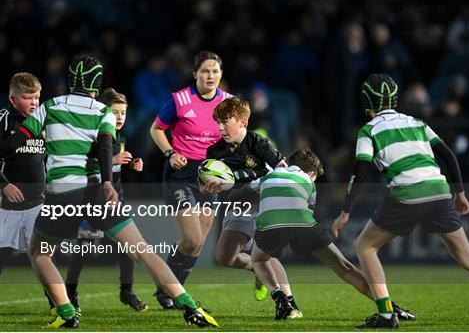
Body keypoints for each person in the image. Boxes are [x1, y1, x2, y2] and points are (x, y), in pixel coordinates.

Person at [10, 56, 217, 328]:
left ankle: (67, 312)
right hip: (99, 193)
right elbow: (106, 146)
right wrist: (108, 181)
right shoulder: (102, 112)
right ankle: (188, 305)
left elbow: (18, 141)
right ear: (97, 83)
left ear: (71, 79)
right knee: (143, 251)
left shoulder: (49, 107)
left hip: (63, 193)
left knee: (39, 253)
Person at [332, 74, 469, 329]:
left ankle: (386, 314)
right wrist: (460, 193)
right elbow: (448, 155)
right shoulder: (416, 122)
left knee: (365, 246)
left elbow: (360, 173)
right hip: (439, 190)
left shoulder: (369, 130)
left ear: (366, 101)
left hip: (407, 192)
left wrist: (345, 212)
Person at [249, 148, 415, 321]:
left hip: (269, 224)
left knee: (259, 259)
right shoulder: (308, 181)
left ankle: (281, 299)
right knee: (346, 269)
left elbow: (244, 191)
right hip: (303, 222)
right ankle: (390, 308)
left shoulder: (268, 177)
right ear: (311, 172)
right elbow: (308, 211)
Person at [149, 51, 233, 309]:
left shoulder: (228, 102)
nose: (210, 76)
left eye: (215, 71)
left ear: (221, 74)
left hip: (209, 177)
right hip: (181, 173)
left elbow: (233, 139)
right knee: (192, 240)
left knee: (197, 246)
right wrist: (170, 152)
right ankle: (170, 290)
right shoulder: (179, 99)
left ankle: (170, 292)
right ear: (194, 73)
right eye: (205, 71)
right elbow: (156, 129)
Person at [59, 88, 147, 312]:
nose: (119, 118)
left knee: (128, 247)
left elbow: (117, 165)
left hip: (115, 202)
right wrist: (113, 159)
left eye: (123, 113)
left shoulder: (121, 137)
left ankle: (126, 291)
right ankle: (70, 293)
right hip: (93, 202)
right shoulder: (95, 136)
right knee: (83, 249)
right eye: (115, 112)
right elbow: (83, 165)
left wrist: (134, 162)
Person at [204, 96, 290, 306]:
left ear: (243, 122)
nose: (221, 127)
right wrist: (206, 187)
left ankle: (288, 301)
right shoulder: (214, 152)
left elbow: (282, 168)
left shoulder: (257, 142)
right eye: (218, 122)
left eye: (226, 121)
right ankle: (256, 270)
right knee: (224, 257)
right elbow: (204, 182)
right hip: (238, 206)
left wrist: (259, 185)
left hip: (262, 205)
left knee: (265, 254)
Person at [0, 73, 44, 274]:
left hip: (37, 202)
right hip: (7, 205)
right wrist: (4, 185)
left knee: (43, 258)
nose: (34, 103)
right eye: (27, 98)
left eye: (36, 97)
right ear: (12, 99)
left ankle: (55, 303)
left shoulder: (43, 122)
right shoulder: (3, 121)